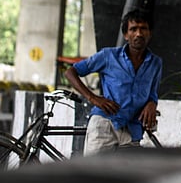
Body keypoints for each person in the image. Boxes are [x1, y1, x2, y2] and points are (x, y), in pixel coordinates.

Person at [65, 8, 162, 154]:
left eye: (143, 29)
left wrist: (152, 103)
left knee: (130, 169)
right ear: (126, 35)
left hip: (132, 129)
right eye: (133, 29)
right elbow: (70, 72)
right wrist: (93, 98)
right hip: (105, 124)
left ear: (150, 33)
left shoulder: (155, 63)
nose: (138, 33)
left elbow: (153, 93)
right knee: (93, 169)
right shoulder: (108, 56)